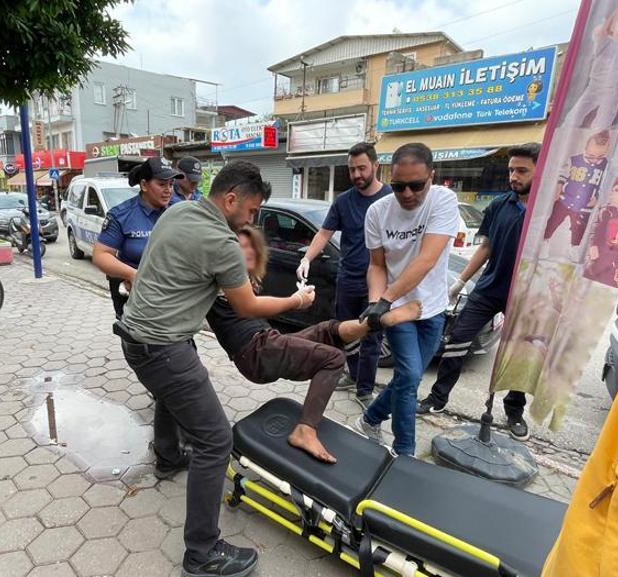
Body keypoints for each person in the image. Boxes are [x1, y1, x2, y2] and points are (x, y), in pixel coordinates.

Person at [117, 160, 314, 577]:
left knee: (174, 395)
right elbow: (247, 307)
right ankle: (202, 551)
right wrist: (296, 302)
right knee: (214, 439)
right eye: (252, 210)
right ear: (230, 199)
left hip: (139, 337)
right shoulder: (221, 241)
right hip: (162, 346)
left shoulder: (179, 210)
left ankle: (169, 458)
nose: (252, 219)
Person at [206, 226, 422, 463]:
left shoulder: (249, 278)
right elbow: (251, 305)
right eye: (239, 246)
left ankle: (374, 321)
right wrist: (296, 300)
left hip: (267, 341)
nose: (246, 251)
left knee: (328, 330)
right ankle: (305, 430)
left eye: (250, 246)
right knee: (333, 359)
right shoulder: (221, 277)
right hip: (255, 352)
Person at [416, 143, 542, 441]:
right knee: (457, 340)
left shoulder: (549, 210)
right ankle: (438, 398)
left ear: (540, 170)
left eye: (522, 170)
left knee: (520, 354)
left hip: (526, 295)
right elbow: (485, 247)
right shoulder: (499, 206)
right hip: (489, 289)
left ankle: (514, 411)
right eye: (512, 169)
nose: (514, 176)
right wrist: (460, 282)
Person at [353, 143, 459, 456]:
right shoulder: (377, 211)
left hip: (432, 307)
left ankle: (370, 417)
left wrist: (384, 300)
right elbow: (377, 265)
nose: (408, 194)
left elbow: (426, 260)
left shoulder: (444, 200)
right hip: (398, 310)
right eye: (399, 186)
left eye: (417, 185)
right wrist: (377, 305)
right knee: (411, 378)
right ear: (390, 178)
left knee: (405, 377)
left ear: (432, 176)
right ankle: (404, 453)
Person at [298, 142, 392, 409]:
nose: (357, 174)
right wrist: (307, 258)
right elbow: (324, 233)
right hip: (348, 279)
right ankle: (352, 375)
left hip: (380, 283)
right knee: (343, 332)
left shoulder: (391, 199)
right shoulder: (344, 201)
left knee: (372, 336)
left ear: (375, 165)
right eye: (352, 170)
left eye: (362, 168)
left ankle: (365, 389)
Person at [92, 157, 183, 317]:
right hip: (133, 292)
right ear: (143, 185)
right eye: (161, 184)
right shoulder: (121, 215)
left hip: (171, 291)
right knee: (138, 340)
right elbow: (101, 255)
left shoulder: (179, 210)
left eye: (171, 184)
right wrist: (132, 275)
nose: (168, 190)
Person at [562, 4, 618, 129]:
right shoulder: (605, 41)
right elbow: (599, 33)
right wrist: (605, 26)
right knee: (577, 113)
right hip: (595, 86)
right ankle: (565, 130)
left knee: (605, 118)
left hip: (615, 89)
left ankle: (597, 138)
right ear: (611, 27)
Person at [544, 131, 610, 261]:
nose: (595, 160)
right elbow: (563, 174)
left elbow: (603, 183)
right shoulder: (574, 160)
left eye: (600, 156)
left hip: (585, 204)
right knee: (553, 221)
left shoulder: (605, 165)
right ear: (585, 149)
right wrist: (558, 187)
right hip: (565, 198)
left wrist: (596, 197)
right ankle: (545, 242)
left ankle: (574, 247)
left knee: (579, 227)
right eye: (591, 156)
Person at [584, 172, 618, 288]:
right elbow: (598, 229)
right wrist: (594, 245)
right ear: (612, 192)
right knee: (594, 273)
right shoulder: (608, 211)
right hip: (603, 251)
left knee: (614, 279)